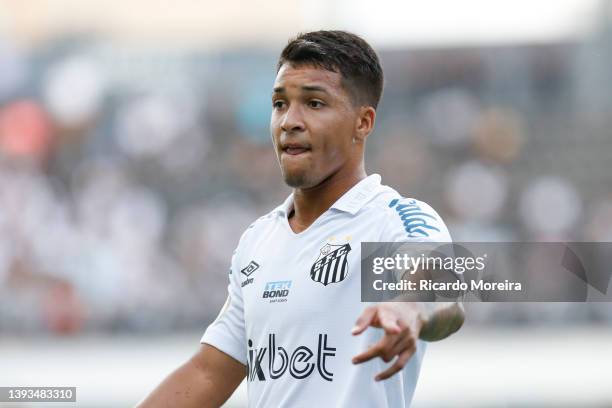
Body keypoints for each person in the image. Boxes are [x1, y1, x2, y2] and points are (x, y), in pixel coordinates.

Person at [137, 30, 464, 408]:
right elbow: (208, 372)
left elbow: (442, 285)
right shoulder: (258, 241)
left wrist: (409, 309)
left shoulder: (392, 220)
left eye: (314, 103)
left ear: (363, 122)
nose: (289, 121)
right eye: (279, 104)